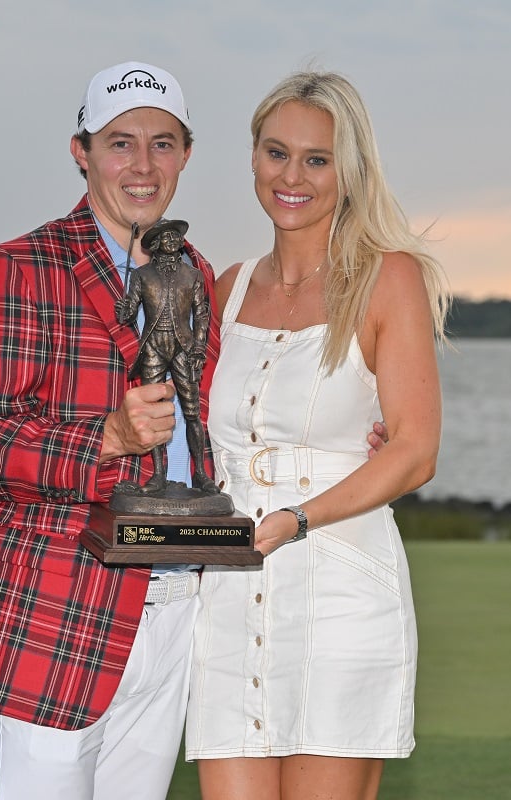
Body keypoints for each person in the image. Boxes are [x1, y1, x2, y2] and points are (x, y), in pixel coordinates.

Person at [185, 70, 451, 800]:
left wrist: (297, 518)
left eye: (317, 159)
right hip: (230, 596)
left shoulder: (386, 280)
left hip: (339, 589)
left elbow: (415, 450)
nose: (291, 176)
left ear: (349, 170)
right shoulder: (226, 287)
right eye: (277, 153)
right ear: (251, 158)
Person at [0, 61, 216, 800]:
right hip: (58, 613)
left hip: (177, 609)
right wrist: (107, 438)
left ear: (186, 154)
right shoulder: (17, 267)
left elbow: (213, 413)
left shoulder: (193, 268)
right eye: (120, 142)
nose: (142, 164)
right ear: (82, 150)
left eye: (163, 143)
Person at [115, 219, 218, 495]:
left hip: (183, 346)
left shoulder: (193, 275)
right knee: (154, 412)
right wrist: (123, 309)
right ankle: (159, 475)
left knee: (192, 410)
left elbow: (202, 315)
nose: (174, 241)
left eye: (176, 237)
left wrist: (198, 348)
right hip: (153, 347)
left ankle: (200, 474)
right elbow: (128, 313)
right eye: (168, 237)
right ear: (157, 244)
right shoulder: (141, 276)